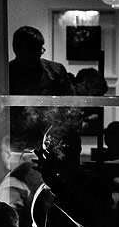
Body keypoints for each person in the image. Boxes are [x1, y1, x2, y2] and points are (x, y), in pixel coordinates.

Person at [7, 25, 74, 154]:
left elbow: (70, 106)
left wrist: (61, 135)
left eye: (39, 50)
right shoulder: (6, 74)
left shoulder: (56, 72)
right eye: (32, 51)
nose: (37, 55)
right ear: (17, 50)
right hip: (15, 143)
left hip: (51, 141)